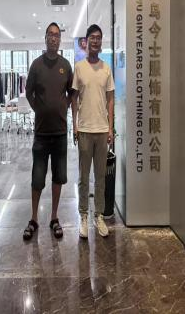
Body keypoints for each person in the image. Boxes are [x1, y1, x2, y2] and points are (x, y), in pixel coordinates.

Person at [23, 22, 73, 240]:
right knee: (37, 178)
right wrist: (39, 109)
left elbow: (71, 92)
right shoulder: (36, 65)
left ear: (60, 39)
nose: (54, 38)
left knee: (58, 177)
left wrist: (63, 107)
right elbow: (29, 92)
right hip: (41, 134)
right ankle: (33, 218)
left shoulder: (66, 65)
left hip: (60, 133)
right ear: (45, 38)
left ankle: (54, 217)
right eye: (50, 34)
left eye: (57, 35)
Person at [72, 24, 115, 238]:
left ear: (101, 41)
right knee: (83, 177)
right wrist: (74, 125)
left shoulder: (106, 68)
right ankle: (83, 216)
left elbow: (110, 99)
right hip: (85, 130)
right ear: (86, 42)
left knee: (100, 178)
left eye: (99, 37)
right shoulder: (79, 68)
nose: (95, 41)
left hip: (102, 130)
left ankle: (98, 216)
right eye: (92, 38)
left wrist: (110, 127)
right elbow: (73, 98)